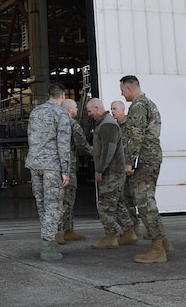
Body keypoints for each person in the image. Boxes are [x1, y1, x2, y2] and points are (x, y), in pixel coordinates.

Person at [120, 75, 172, 263]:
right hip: (151, 156)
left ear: (129, 87)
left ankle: (157, 248)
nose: (121, 93)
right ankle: (163, 241)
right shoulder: (149, 103)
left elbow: (136, 135)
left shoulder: (138, 105)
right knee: (147, 199)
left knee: (143, 201)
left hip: (144, 158)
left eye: (122, 89)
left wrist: (128, 161)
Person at [26, 83, 71, 261]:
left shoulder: (35, 112)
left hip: (34, 163)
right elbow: (63, 145)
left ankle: (49, 241)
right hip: (52, 166)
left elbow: (30, 137)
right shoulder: (61, 114)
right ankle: (48, 247)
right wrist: (65, 170)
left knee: (43, 204)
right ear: (63, 96)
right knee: (53, 205)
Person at [86, 98, 132, 249]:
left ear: (97, 108)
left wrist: (99, 170)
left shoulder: (107, 125)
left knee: (105, 206)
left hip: (112, 173)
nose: (89, 114)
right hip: (113, 172)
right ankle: (129, 233)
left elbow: (108, 151)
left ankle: (110, 237)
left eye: (89, 111)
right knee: (117, 204)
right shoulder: (104, 124)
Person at [56, 98, 93, 243]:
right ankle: (55, 231)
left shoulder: (55, 122)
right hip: (67, 167)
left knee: (64, 199)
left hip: (57, 166)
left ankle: (68, 230)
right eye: (76, 107)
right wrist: (97, 153)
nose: (78, 110)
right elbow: (82, 145)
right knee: (67, 201)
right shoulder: (72, 123)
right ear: (69, 109)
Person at [110, 100, 140, 244]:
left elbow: (136, 144)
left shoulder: (130, 125)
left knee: (133, 197)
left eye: (115, 108)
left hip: (130, 168)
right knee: (123, 198)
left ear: (122, 109)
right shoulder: (116, 127)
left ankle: (136, 226)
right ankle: (132, 228)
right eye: (111, 109)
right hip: (120, 168)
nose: (112, 111)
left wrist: (132, 164)